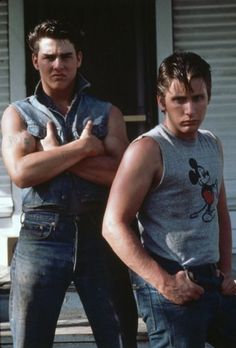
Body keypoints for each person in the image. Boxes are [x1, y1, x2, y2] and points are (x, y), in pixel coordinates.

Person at [1, 19, 137, 348]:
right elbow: (21, 173)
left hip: (100, 233)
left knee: (119, 336)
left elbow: (123, 176)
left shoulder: (107, 114)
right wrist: (84, 148)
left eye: (65, 56)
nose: (58, 64)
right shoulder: (18, 114)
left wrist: (51, 157)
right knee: (30, 339)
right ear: (36, 61)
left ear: (79, 59)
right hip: (41, 235)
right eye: (49, 57)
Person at [102, 51, 236, 348]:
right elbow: (112, 225)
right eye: (179, 100)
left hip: (213, 280)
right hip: (172, 282)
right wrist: (163, 282)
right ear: (161, 101)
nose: (190, 109)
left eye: (198, 98)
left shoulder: (211, 142)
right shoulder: (148, 149)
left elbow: (219, 211)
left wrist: (226, 271)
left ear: (208, 97)